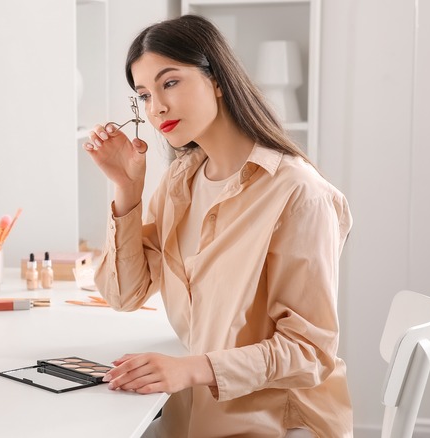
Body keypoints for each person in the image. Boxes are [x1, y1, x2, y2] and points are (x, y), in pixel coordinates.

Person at [83, 15, 353, 437]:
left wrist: (191, 369)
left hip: (277, 424)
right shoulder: (181, 181)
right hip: (193, 413)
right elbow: (125, 294)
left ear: (218, 80)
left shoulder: (299, 194)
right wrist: (127, 189)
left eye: (170, 82)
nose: (157, 108)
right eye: (145, 95)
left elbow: (309, 351)